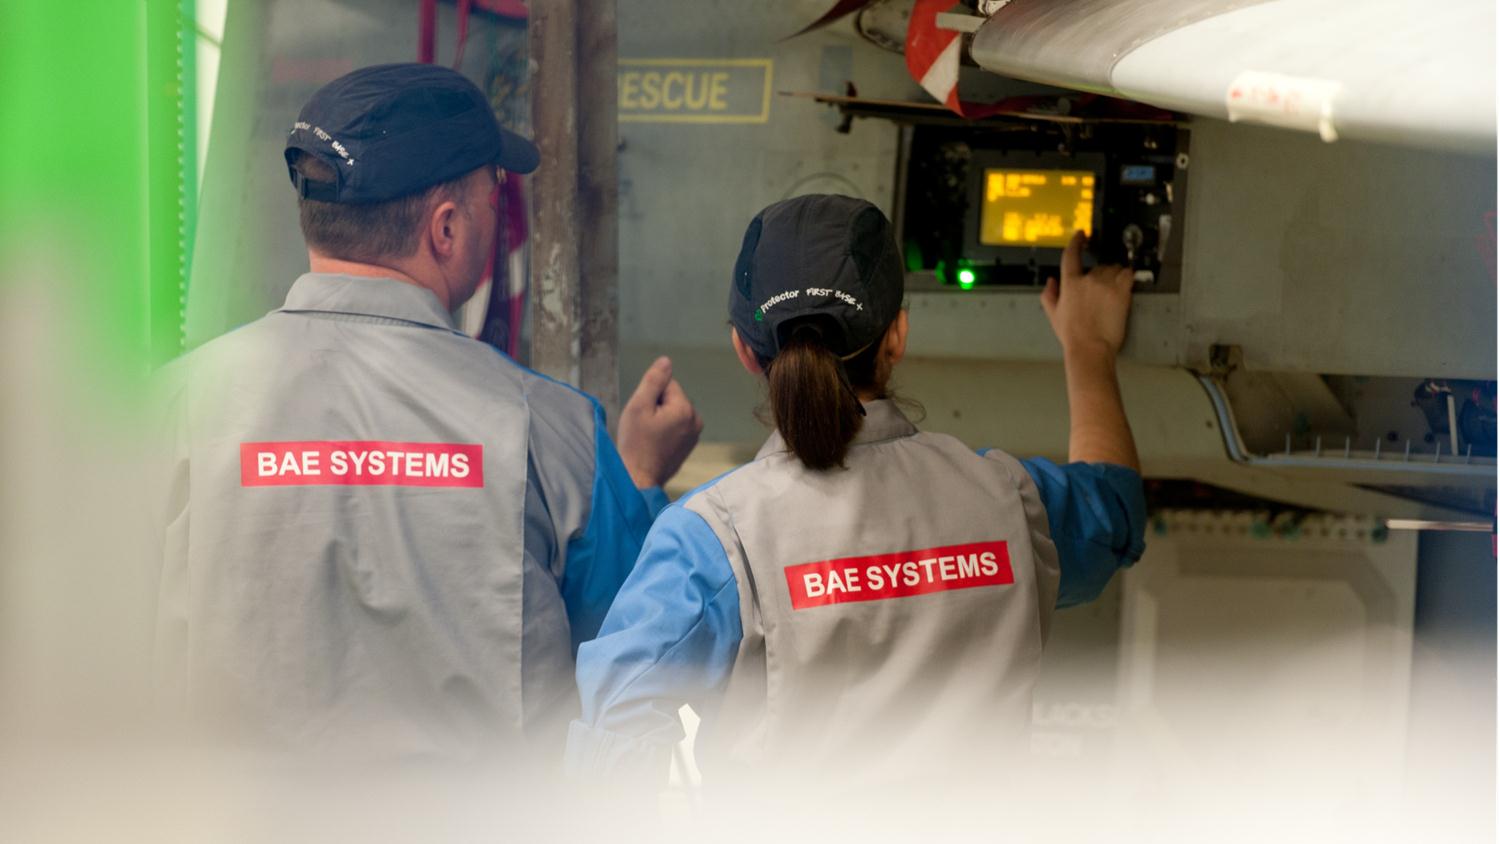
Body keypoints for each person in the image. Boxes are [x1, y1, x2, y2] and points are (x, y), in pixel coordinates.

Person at [147, 63, 701, 763]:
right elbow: (639, 658)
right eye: (493, 195)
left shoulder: (169, 410)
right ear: (446, 229)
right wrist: (640, 479)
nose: (500, 216)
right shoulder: (554, 432)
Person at [567, 194, 1146, 787]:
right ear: (896, 335)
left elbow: (615, 737)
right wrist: (1089, 349)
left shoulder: (714, 539)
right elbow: (1117, 513)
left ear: (745, 350)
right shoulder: (1012, 500)